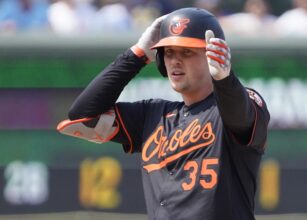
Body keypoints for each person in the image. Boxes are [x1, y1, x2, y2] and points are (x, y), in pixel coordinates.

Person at [57, 7, 269, 220]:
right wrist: (137, 55)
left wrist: (225, 79)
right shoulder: (153, 115)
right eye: (168, 53)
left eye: (187, 52)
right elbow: (83, 114)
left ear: (212, 55)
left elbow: (241, 115)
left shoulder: (238, 105)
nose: (175, 61)